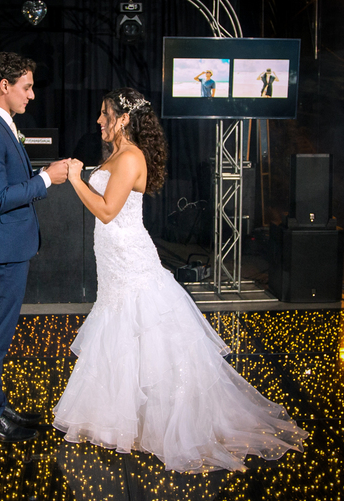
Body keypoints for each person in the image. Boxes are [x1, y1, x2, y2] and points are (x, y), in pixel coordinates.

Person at [54, 87, 306, 472]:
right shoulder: (118, 154)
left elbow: (106, 212)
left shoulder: (131, 156)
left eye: (105, 114)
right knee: (122, 330)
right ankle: (126, 417)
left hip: (130, 259)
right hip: (115, 260)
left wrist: (75, 179)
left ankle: (160, 419)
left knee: (144, 329)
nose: (99, 121)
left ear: (123, 119)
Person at [0, 52, 71, 442]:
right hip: (0, 251)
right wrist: (45, 179)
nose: (32, 95)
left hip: (8, 249)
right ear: (4, 86)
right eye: (26, 87)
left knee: (0, 333)